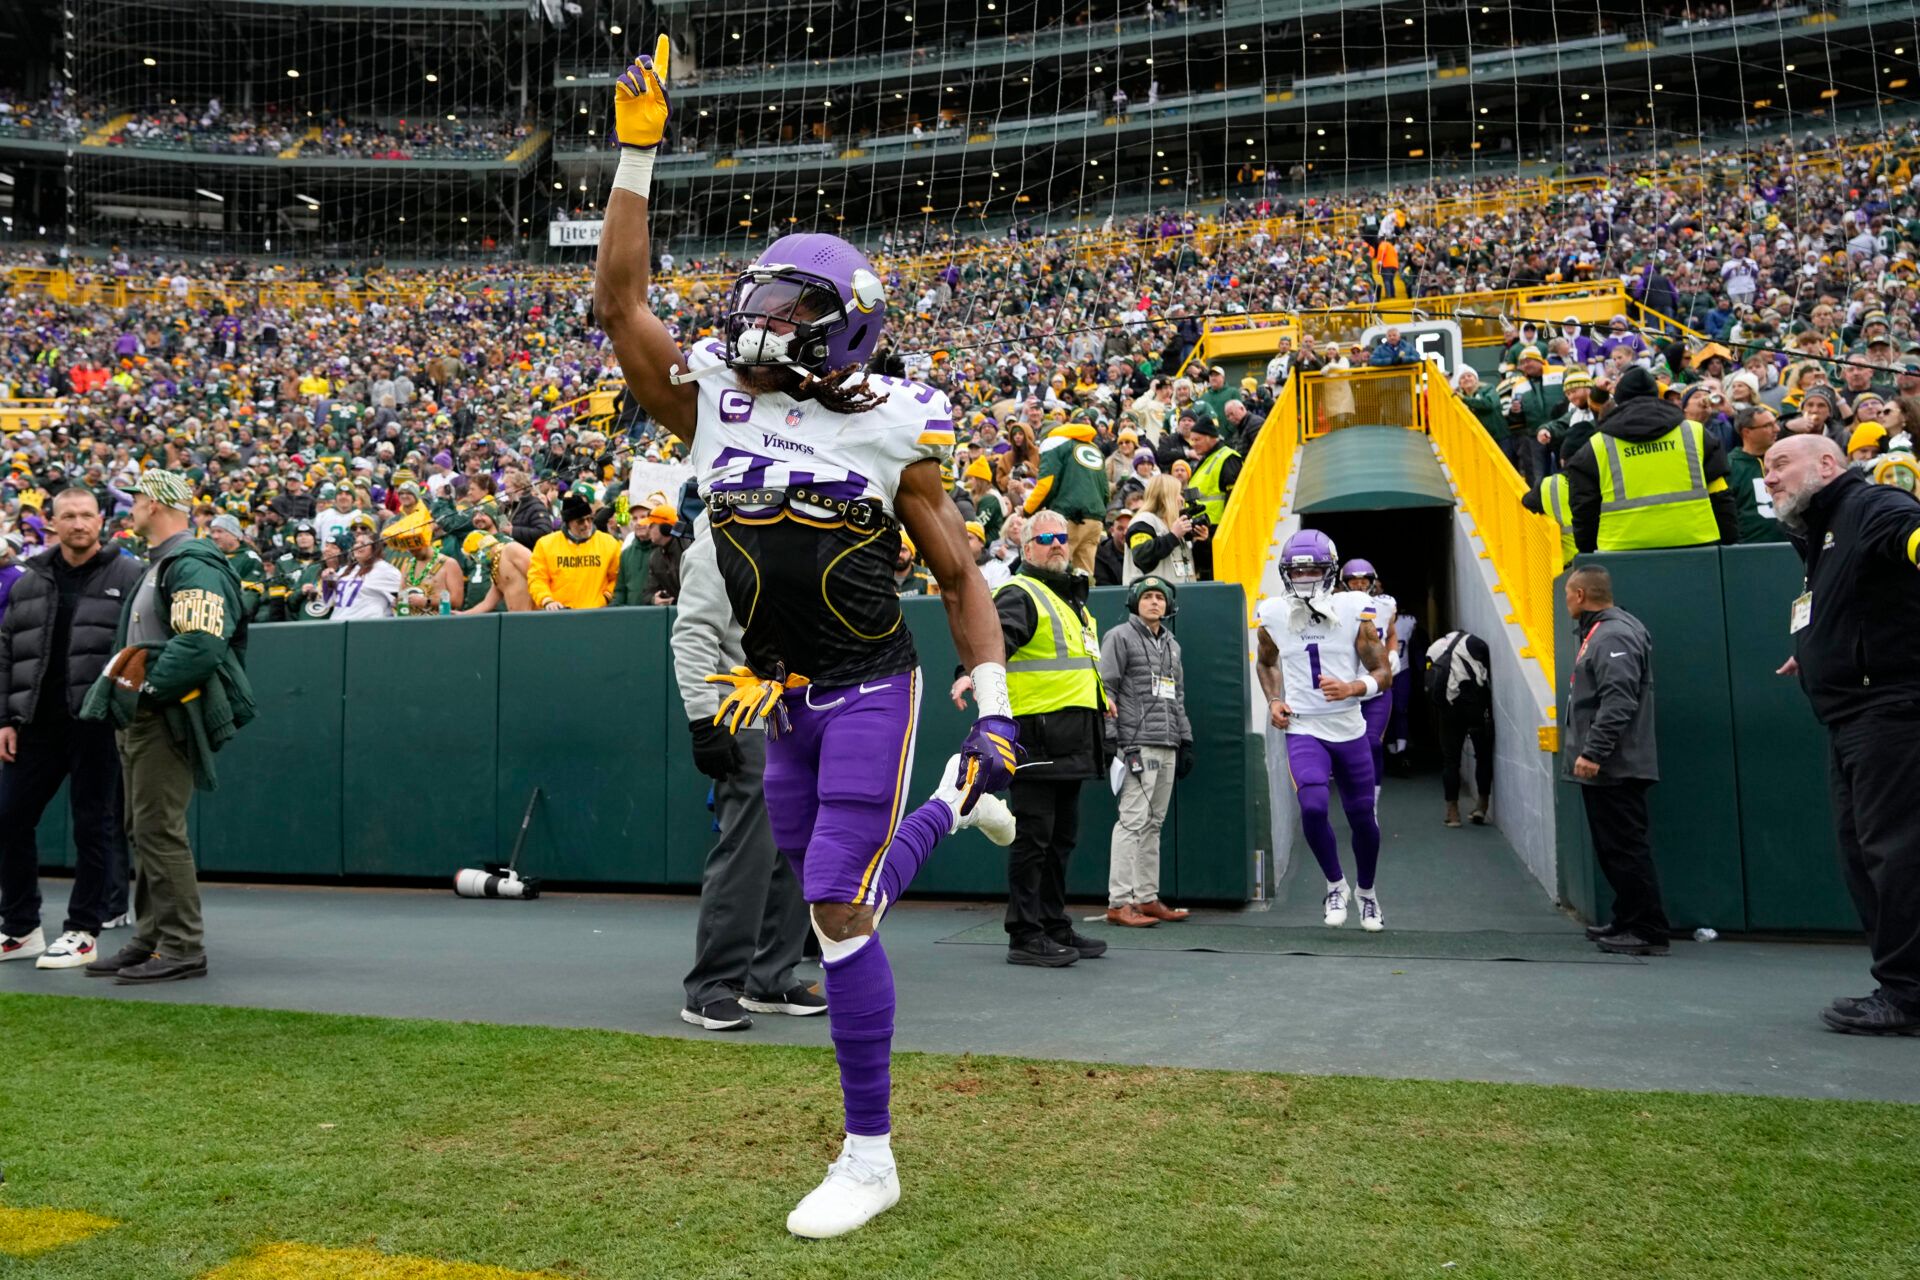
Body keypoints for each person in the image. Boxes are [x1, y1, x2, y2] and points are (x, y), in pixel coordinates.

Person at [592, 40, 1020, 1239]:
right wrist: (637, 149)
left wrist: (994, 706)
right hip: (773, 686)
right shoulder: (712, 395)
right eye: (760, 304)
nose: (763, 325)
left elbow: (958, 570)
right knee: (840, 885)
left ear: (849, 332)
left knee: (834, 900)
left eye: (794, 312)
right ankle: (952, 807)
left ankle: (870, 1151)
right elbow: (619, 302)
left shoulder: (899, 425)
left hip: (869, 680)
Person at [1765, 434, 1920, 1034]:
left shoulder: (1870, 506)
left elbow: (1908, 533)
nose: (1770, 477)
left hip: (1890, 715)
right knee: (1867, 857)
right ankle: (1901, 986)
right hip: (1852, 717)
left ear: (1828, 464)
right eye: (1765, 467)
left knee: (1895, 856)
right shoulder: (1819, 533)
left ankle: (1908, 995)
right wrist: (1814, 650)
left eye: (1781, 463)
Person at [83, 469, 250, 984]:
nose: (128, 507)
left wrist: (150, 692)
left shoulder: (191, 562)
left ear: (155, 503)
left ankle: (182, 945)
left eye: (134, 498)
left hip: (164, 715)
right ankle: (151, 938)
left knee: (159, 829)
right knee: (143, 828)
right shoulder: (161, 565)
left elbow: (201, 642)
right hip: (145, 716)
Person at [673, 521, 815, 1031]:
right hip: (747, 715)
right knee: (748, 854)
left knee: (798, 851)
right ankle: (711, 986)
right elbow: (693, 634)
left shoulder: (794, 538)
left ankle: (771, 976)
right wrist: (703, 720)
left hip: (801, 714)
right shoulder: (718, 542)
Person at [957, 510, 1108, 966]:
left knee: (1061, 839)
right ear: (1027, 549)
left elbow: (1079, 666)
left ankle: (1053, 923)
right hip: (1036, 738)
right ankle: (1024, 933)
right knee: (1034, 839)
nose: (1057, 543)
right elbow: (993, 641)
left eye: (1062, 536)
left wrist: (1102, 697)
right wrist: (968, 675)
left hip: (1075, 736)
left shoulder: (1073, 600)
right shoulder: (1021, 591)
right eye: (1045, 538)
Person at [0, 488, 140, 968]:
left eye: (85, 515)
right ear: (52, 522)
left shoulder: (131, 574)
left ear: (100, 521)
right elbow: (7, 652)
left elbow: (144, 651)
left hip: (96, 723)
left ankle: (83, 930)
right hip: (36, 722)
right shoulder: (29, 579)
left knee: (93, 826)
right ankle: (20, 928)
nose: (78, 523)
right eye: (68, 516)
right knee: (9, 818)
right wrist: (6, 718)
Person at [1255, 530, 1391, 932]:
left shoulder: (1354, 609)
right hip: (1303, 727)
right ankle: (1335, 885)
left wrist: (1352, 687)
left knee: (1362, 818)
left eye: (1314, 569)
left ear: (1330, 570)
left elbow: (1382, 672)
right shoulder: (1275, 613)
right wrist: (1274, 699)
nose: (1306, 578)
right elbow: (1266, 663)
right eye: (1298, 572)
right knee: (1312, 807)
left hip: (1348, 726)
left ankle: (1366, 892)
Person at [1561, 564, 1670, 957]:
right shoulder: (1603, 631)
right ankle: (1628, 918)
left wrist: (1593, 751)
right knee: (1613, 848)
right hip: (1612, 765)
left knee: (1625, 847)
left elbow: (1619, 699)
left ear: (1579, 595)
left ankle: (1647, 929)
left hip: (1616, 766)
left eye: (1568, 594)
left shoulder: (1613, 633)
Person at [1098, 575, 1193, 928]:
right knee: (1133, 821)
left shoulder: (1172, 644)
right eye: (1148, 596)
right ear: (1135, 602)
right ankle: (1119, 902)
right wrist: (1112, 739)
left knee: (1154, 823)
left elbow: (1177, 697)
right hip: (1136, 744)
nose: (1155, 602)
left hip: (1167, 743)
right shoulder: (1119, 637)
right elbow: (1104, 690)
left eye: (1160, 597)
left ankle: (1146, 897)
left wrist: (1186, 739)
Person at [1562, 366, 1738, 553]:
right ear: (1656, 395)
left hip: (1621, 550)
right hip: (1697, 543)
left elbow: (1584, 508)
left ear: (1619, 399)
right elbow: (1720, 495)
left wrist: (1588, 553)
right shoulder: (1695, 433)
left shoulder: (1597, 445)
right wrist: (1730, 544)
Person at [1337, 558, 1398, 801]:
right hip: (1347, 688)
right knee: (1347, 748)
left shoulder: (1385, 606)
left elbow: (1391, 633)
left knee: (1372, 742)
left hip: (1376, 687)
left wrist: (1392, 652)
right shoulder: (1335, 607)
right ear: (1345, 583)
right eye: (1354, 581)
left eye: (1364, 581)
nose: (1360, 585)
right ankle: (1354, 793)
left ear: (1373, 583)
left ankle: (1371, 798)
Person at [1425, 628, 1493, 827]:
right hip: (1475, 707)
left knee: (1450, 761)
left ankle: (1452, 812)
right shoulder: (1476, 643)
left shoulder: (1434, 648)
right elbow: (1488, 674)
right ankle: (1482, 804)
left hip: (1448, 710)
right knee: (1483, 756)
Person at [1023, 420, 1108, 577]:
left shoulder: (1054, 443)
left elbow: (1046, 484)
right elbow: (1105, 490)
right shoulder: (1092, 447)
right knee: (1085, 577)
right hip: (1095, 520)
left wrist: (1027, 510)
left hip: (1069, 519)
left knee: (1055, 570)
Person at [529, 493, 621, 611]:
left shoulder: (609, 543)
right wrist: (547, 600)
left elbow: (617, 578)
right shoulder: (545, 544)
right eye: (580, 521)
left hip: (596, 613)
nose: (586, 524)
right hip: (560, 614)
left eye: (589, 519)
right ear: (568, 523)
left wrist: (606, 597)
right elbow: (537, 578)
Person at [1123, 472, 1197, 585]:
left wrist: (1201, 542)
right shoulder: (1143, 521)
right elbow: (1141, 555)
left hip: (1180, 593)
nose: (1182, 499)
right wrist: (1172, 537)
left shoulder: (1174, 524)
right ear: (1166, 496)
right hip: (1149, 596)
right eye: (1178, 493)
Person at [1727, 406, 1787, 543]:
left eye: (1775, 423)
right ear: (1747, 432)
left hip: (1792, 547)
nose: (1777, 429)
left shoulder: (1788, 461)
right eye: (1768, 425)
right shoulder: (1730, 466)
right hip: (1749, 551)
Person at [327, 529, 403, 620]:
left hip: (366, 627)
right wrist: (327, 582)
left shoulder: (385, 570)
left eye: (363, 544)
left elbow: (403, 597)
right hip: (338, 625)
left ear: (375, 548)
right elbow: (329, 602)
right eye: (356, 542)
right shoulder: (345, 570)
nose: (357, 546)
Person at [207, 514, 264, 620]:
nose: (215, 536)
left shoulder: (249, 559)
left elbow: (250, 595)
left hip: (231, 617)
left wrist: (235, 615)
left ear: (235, 535)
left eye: (220, 531)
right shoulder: (209, 557)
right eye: (213, 532)